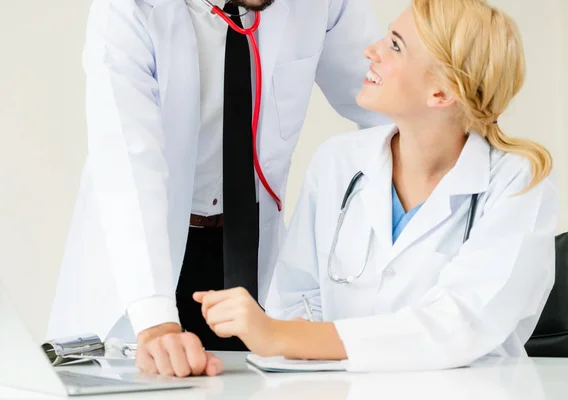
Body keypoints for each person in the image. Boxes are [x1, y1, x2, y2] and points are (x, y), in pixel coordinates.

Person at [192, 0, 559, 372]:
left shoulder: (519, 184)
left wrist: (280, 335)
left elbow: (458, 326)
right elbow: (297, 299)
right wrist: (289, 336)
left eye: (395, 45)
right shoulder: (337, 162)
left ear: (441, 93)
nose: (371, 50)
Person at [47, 0, 387, 377]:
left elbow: (391, 97)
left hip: (250, 256)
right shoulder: (130, 8)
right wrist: (155, 319)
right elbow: (128, 161)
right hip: (146, 259)